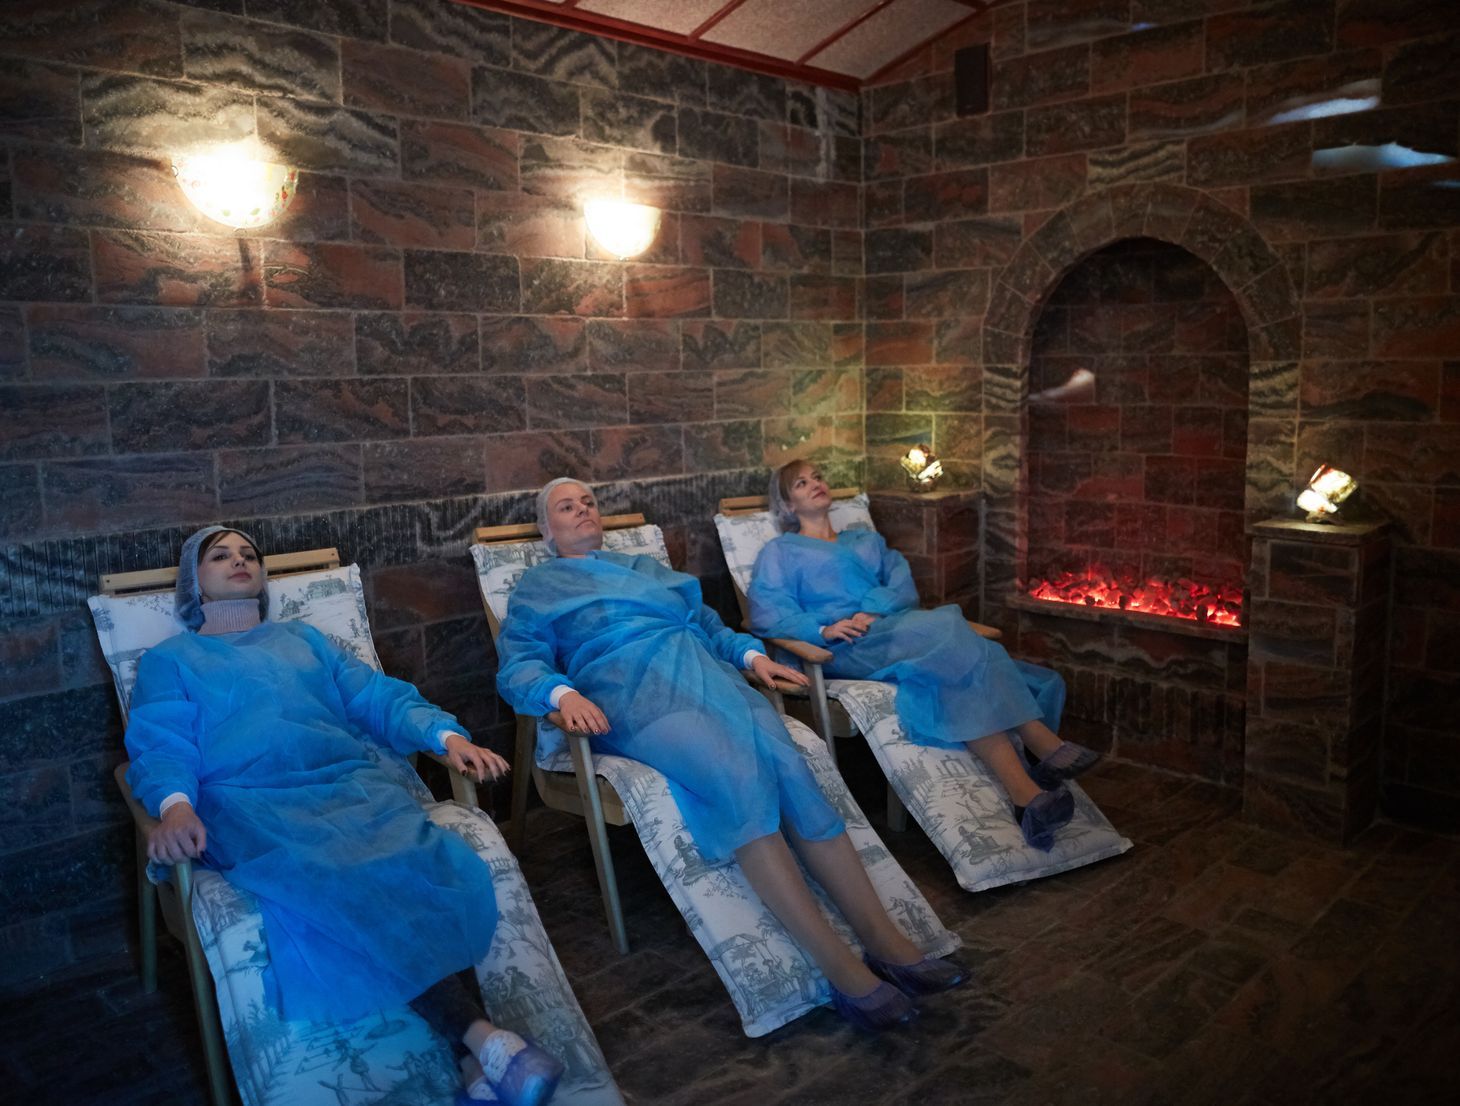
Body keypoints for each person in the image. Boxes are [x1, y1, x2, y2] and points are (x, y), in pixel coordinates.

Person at [496, 479, 966, 1031]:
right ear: (547, 529)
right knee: (737, 775)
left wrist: (752, 657)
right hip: (632, 692)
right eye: (566, 507)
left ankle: (886, 942)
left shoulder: (648, 570)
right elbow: (519, 662)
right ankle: (840, 969)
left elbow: (709, 627)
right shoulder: (539, 586)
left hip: (710, 679)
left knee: (792, 768)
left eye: (589, 503)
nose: (582, 511)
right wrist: (562, 695)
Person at [127, 525, 563, 1106]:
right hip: (251, 803)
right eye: (220, 555)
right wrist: (175, 806)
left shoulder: (303, 640)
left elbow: (375, 697)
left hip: (346, 785)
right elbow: (161, 743)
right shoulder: (173, 660)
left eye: (249, 554)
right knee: (338, 876)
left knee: (412, 855)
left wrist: (444, 735)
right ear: (193, 581)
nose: (239, 561)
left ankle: (476, 1064)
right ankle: (485, 1040)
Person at [748, 461, 1103, 851]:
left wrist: (873, 609)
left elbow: (902, 585)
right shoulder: (780, 552)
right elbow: (767, 612)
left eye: (818, 476)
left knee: (972, 664)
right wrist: (823, 630)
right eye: (801, 483)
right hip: (846, 647)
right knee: (950, 625)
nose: (816, 483)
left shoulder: (864, 540)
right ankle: (1044, 746)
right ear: (787, 504)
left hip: (892, 627)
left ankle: (1027, 797)